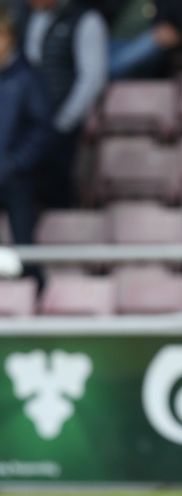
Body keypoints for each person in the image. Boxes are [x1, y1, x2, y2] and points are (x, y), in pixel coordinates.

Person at [16, 0, 107, 208]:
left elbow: (92, 78)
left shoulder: (85, 20)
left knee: (57, 191)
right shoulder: (23, 18)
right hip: (25, 128)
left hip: (61, 126)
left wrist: (64, 121)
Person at [0, 4, 52, 286]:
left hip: (17, 179)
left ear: (10, 38)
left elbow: (41, 130)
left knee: (24, 246)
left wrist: (15, 163)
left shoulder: (28, 77)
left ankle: (35, 298)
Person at [103, 0, 182, 80]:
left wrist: (178, 37)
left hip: (144, 54)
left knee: (153, 40)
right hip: (107, 49)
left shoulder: (170, 2)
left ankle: (101, 75)